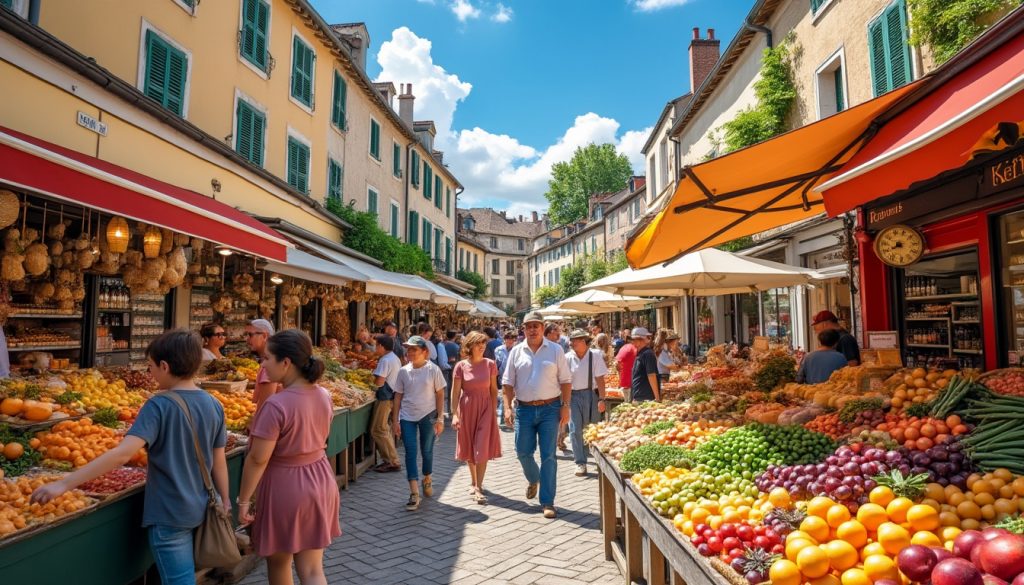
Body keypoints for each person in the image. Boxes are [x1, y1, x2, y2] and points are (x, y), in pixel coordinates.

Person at [32, 330, 229, 585]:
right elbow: (219, 460)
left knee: (178, 580)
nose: (150, 374)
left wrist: (63, 484)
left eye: (150, 367)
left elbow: (122, 454)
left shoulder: (159, 405)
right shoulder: (213, 404)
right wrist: (225, 500)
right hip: (201, 505)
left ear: (165, 366)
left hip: (169, 512)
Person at [237, 329, 340, 585]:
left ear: (286, 363)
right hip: (320, 479)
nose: (263, 363)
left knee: (279, 561)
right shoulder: (324, 395)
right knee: (313, 569)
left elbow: (258, 459)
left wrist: (243, 501)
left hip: (285, 487)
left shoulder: (276, 405)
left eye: (267, 358)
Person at [502, 311, 571, 519]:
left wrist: (565, 406)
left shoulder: (556, 350)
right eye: (528, 326)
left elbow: (566, 381)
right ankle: (534, 478)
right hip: (524, 409)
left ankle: (547, 501)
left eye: (536, 326)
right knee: (522, 451)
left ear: (543, 328)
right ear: (523, 329)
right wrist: (507, 407)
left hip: (550, 408)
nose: (532, 329)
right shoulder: (516, 351)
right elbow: (507, 383)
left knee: (549, 455)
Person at [392, 336, 446, 511]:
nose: (411, 353)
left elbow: (439, 394)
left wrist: (440, 418)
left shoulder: (433, 369)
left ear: (425, 352)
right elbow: (398, 396)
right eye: (409, 350)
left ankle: (427, 477)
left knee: (427, 451)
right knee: (410, 452)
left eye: (415, 349)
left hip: (428, 415)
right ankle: (414, 493)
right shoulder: (403, 371)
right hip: (407, 416)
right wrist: (395, 420)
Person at [451, 331, 502, 504]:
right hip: (467, 408)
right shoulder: (461, 366)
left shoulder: (490, 364)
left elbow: (494, 390)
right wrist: (454, 414)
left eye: (484, 344)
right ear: (470, 346)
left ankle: (479, 486)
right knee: (469, 446)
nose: (482, 347)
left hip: (486, 408)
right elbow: (456, 391)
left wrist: (494, 410)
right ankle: (473, 481)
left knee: (481, 446)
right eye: (478, 344)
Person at [565, 329, 608, 477]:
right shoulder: (567, 357)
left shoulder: (595, 355)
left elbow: (600, 379)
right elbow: (564, 381)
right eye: (571, 340)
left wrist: (602, 399)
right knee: (575, 428)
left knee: (593, 429)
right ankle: (580, 463)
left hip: (592, 395)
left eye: (575, 340)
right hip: (574, 395)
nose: (572, 343)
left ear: (584, 341)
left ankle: (598, 461)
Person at [370, 335, 402, 473]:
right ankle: (390, 459)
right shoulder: (394, 358)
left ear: (382, 346)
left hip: (385, 398)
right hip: (392, 397)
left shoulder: (385, 360)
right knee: (383, 429)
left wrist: (371, 383)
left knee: (378, 429)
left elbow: (379, 382)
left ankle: (392, 461)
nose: (376, 348)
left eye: (377, 345)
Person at [246, 319, 281, 415]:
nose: (247, 339)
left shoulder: (269, 365)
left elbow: (265, 407)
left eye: (250, 335)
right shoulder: (275, 358)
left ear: (264, 336)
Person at [630, 327, 661, 402]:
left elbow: (651, 375)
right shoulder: (643, 353)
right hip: (641, 397)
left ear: (640, 340)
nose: (632, 342)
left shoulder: (647, 354)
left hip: (645, 398)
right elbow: (651, 375)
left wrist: (657, 397)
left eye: (634, 340)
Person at [493, 331, 517, 428]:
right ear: (505, 340)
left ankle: (513, 416)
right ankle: (505, 418)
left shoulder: (516, 350)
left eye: (512, 340)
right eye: (508, 339)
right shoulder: (498, 350)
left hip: (515, 377)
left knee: (514, 397)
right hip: (502, 377)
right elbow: (496, 363)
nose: (510, 341)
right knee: (505, 397)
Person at [616, 330, 637, 403]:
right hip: (629, 383)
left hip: (628, 382)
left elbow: (617, 363)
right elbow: (618, 363)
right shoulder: (629, 348)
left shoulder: (625, 347)